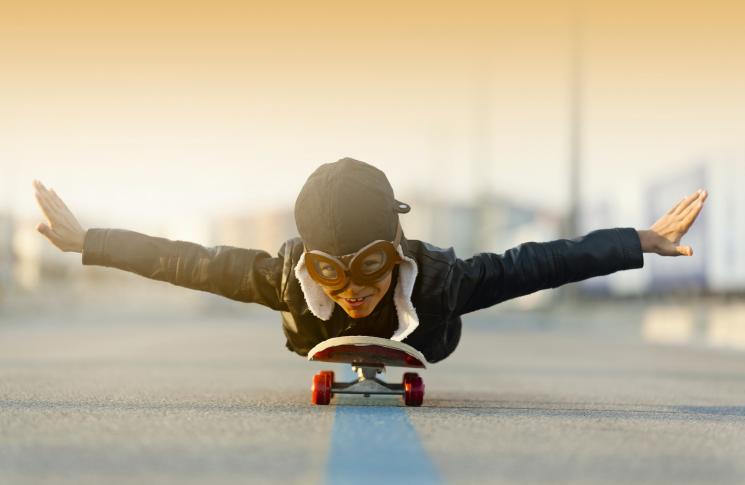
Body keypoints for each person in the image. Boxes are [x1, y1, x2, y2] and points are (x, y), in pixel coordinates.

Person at [33, 157, 708, 363]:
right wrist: (89, 241)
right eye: (330, 270)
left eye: (369, 265)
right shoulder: (284, 279)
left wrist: (636, 241)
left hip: (426, 338)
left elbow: (537, 261)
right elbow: (186, 260)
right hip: (314, 338)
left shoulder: (442, 281)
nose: (352, 289)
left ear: (397, 249)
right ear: (309, 264)